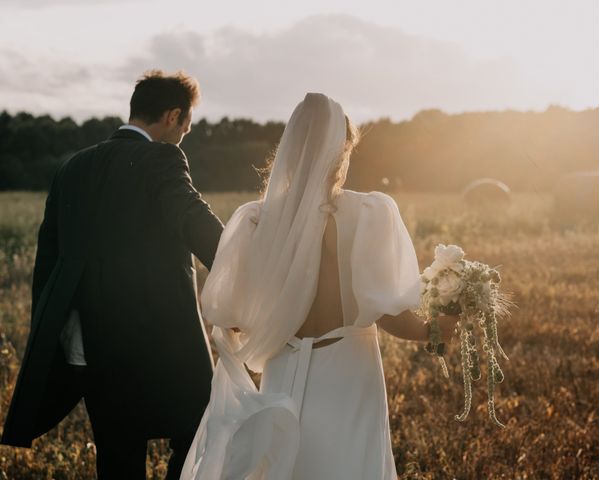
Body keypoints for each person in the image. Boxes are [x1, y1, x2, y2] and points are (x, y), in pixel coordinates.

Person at [180, 93, 457, 480]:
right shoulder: (367, 215)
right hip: (347, 373)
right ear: (341, 149)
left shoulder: (257, 222)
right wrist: (439, 329)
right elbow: (391, 316)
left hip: (281, 370)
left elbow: (237, 320)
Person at [1, 70, 224, 479]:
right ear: (174, 115)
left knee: (118, 454)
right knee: (200, 425)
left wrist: (56, 332)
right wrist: (244, 260)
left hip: (91, 342)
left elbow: (48, 257)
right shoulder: (162, 157)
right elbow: (195, 222)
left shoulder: (73, 166)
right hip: (161, 337)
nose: (184, 134)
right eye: (187, 126)